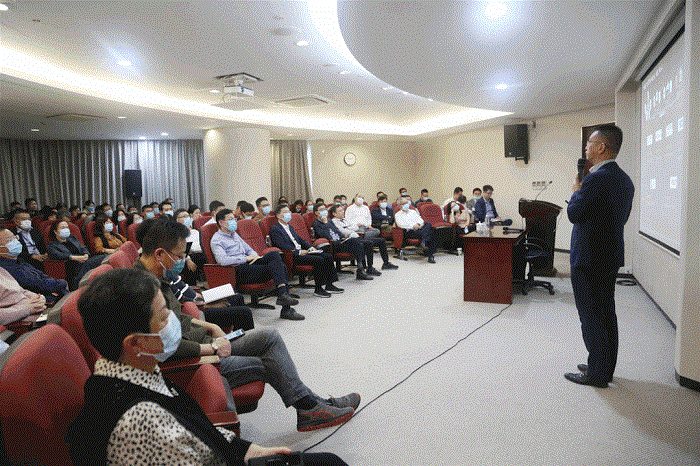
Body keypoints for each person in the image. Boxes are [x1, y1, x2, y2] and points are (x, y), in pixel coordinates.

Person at [66, 268, 351, 466]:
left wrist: (249, 450)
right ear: (136, 342)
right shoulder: (141, 420)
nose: (173, 323)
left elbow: (197, 433)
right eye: (164, 318)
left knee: (328, 461)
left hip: (219, 451)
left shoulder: (136, 369)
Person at [565, 124, 634, 388]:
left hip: (588, 258)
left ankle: (596, 373)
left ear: (602, 147)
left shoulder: (595, 179)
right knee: (606, 313)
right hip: (609, 256)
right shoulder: (624, 180)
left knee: (591, 315)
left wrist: (576, 191)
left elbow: (574, 214)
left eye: (589, 144)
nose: (586, 148)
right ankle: (604, 366)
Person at [210, 209, 304, 320]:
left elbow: (249, 249)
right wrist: (245, 258)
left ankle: (283, 295)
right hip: (237, 270)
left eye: (234, 219)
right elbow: (222, 260)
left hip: (250, 264)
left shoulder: (234, 235)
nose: (234, 222)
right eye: (230, 219)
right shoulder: (216, 240)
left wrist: (254, 256)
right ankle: (285, 307)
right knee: (281, 267)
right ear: (221, 222)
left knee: (274, 254)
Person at [269, 205, 344, 298]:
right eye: (286, 212)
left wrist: (310, 247)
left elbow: (300, 240)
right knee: (318, 260)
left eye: (289, 211)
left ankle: (329, 284)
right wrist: (299, 251)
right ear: (278, 215)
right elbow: (281, 245)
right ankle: (318, 289)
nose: (289, 214)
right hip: (293, 255)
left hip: (302, 252)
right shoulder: (275, 229)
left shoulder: (290, 227)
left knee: (327, 256)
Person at [0, 227, 68, 304]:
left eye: (14, 238)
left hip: (52, 294)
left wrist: (59, 283)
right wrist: (62, 283)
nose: (15, 241)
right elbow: (37, 284)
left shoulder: (19, 260)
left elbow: (41, 275)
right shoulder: (5, 269)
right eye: (9, 240)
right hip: (41, 302)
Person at [312, 204, 373, 280]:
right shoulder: (316, 224)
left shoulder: (329, 221)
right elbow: (325, 236)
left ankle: (367, 268)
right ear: (316, 213)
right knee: (357, 243)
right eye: (322, 210)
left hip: (340, 241)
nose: (324, 211)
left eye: (325, 209)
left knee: (366, 243)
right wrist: (325, 223)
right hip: (332, 245)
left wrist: (343, 238)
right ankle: (361, 270)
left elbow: (337, 231)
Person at [330, 204, 397, 272]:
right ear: (334, 214)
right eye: (340, 211)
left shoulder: (345, 220)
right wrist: (350, 229)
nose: (343, 212)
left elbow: (355, 227)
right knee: (369, 243)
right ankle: (369, 268)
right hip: (349, 240)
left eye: (342, 210)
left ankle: (386, 263)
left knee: (381, 240)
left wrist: (348, 228)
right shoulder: (333, 222)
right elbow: (343, 232)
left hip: (357, 237)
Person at [47, 219, 106, 289]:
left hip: (84, 260)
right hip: (72, 266)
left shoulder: (72, 238)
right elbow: (58, 255)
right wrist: (74, 258)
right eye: (63, 228)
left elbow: (83, 248)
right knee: (100, 260)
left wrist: (86, 254)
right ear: (56, 232)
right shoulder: (52, 245)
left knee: (103, 257)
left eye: (67, 227)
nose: (66, 229)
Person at [394, 198, 436, 263]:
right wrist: (413, 226)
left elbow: (421, 220)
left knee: (428, 224)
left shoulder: (413, 212)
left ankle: (424, 242)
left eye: (406, 203)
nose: (406, 204)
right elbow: (401, 225)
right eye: (403, 204)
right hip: (410, 231)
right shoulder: (398, 214)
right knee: (430, 233)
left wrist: (418, 224)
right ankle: (430, 254)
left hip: (420, 229)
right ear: (399, 206)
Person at [174, 208, 205, 286]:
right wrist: (188, 259)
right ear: (177, 220)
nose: (187, 218)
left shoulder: (195, 232)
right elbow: (179, 251)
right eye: (184, 216)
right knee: (193, 261)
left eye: (188, 216)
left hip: (201, 254)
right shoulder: (177, 234)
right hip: (187, 256)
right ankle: (193, 286)